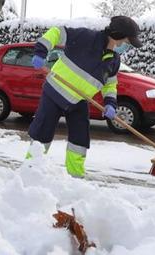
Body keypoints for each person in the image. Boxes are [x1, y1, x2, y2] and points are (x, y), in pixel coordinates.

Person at [25, 16, 143, 178]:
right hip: (54, 92)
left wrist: (110, 103)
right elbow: (57, 32)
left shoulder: (114, 60)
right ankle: (31, 169)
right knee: (42, 133)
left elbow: (110, 84)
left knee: (80, 137)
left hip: (79, 100)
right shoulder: (86, 37)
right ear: (116, 35)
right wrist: (41, 51)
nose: (125, 46)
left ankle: (75, 175)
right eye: (125, 42)